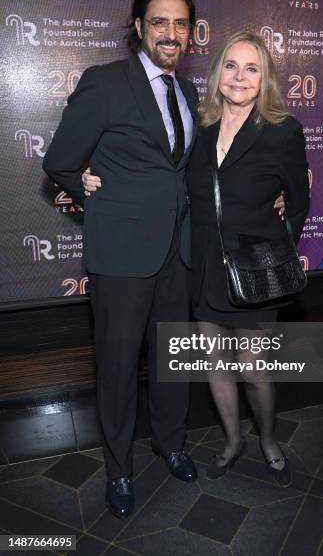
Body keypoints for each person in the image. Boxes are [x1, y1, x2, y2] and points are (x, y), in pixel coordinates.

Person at [83, 30, 309, 488]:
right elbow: (153, 167)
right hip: (202, 266)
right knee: (217, 366)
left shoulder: (283, 129)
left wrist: (278, 245)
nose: (240, 76)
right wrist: (90, 173)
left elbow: (299, 202)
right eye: (231, 65)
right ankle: (231, 440)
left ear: (264, 78)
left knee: (255, 371)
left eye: (251, 68)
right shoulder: (197, 125)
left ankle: (267, 438)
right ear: (217, 72)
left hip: (256, 271)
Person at [42, 0, 200, 520]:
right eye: (160, 22)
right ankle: (120, 470)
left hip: (177, 254)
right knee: (115, 369)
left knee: (173, 361)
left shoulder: (188, 92)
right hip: (121, 259)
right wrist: (91, 193)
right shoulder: (105, 83)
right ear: (139, 28)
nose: (171, 34)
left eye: (181, 24)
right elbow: (59, 161)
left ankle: (170, 443)